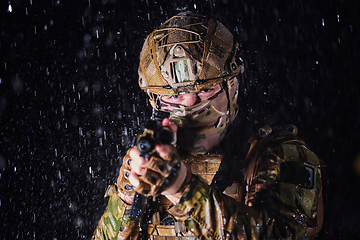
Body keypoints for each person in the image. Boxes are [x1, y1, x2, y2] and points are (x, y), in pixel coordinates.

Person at [92, 12, 323, 240]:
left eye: (205, 90)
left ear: (231, 86)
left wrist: (181, 188)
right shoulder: (150, 159)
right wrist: (127, 197)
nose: (190, 103)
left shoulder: (276, 154)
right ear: (155, 101)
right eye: (175, 96)